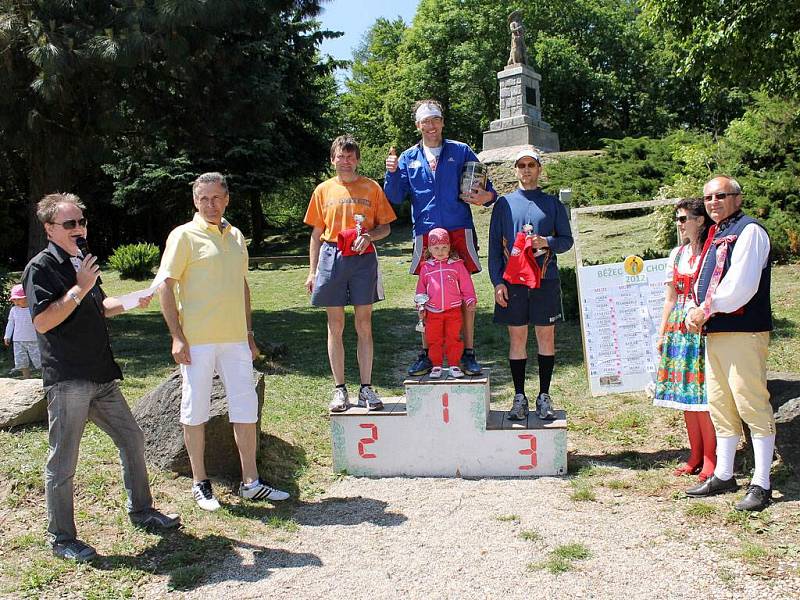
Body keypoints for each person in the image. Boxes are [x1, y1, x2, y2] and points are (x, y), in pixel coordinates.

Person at [23, 193, 179, 563]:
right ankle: (61, 538)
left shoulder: (83, 262)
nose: (80, 229)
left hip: (100, 374)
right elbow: (43, 321)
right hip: (69, 378)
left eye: (82, 222)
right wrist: (78, 287)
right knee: (63, 461)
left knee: (133, 438)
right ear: (49, 229)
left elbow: (101, 305)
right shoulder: (41, 267)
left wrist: (131, 300)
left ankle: (141, 510)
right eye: (70, 224)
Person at [158, 172, 289, 511]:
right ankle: (200, 482)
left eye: (216, 198)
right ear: (195, 201)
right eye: (203, 199)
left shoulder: (236, 236)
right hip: (197, 341)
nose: (210, 205)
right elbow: (165, 286)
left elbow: (241, 286)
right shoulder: (183, 236)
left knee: (245, 409)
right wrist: (177, 336)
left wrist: (248, 335)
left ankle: (251, 482)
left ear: (227, 199)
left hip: (235, 340)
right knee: (195, 409)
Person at [384, 99, 496, 377]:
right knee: (424, 294)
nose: (431, 125)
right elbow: (395, 197)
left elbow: (486, 189)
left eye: (435, 119)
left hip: (458, 229)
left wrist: (487, 197)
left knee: (466, 294)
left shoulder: (461, 151)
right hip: (426, 231)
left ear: (442, 122)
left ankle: (468, 353)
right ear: (417, 125)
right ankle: (426, 353)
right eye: (425, 120)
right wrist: (392, 172)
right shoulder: (408, 158)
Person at [684, 176, 775, 511]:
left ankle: (762, 481)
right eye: (708, 197)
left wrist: (704, 309)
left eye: (721, 196)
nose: (713, 202)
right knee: (720, 404)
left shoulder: (750, 231)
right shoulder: (717, 233)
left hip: (743, 331)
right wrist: (694, 309)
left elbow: (741, 286)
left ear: (738, 197)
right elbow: (702, 281)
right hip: (717, 331)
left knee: (751, 403)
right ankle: (724, 473)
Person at [304, 135, 396, 413]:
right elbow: (317, 234)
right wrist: (312, 272)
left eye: (350, 156)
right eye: (340, 157)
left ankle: (366, 387)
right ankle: (339, 389)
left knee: (364, 324)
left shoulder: (371, 188)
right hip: (332, 257)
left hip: (362, 258)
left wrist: (369, 236)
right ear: (332, 160)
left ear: (357, 159)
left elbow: (386, 227)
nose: (345, 161)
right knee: (335, 325)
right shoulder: (322, 190)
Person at [488, 148, 573, 421]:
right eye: (521, 165)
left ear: (539, 169)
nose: (526, 170)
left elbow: (566, 240)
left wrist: (545, 241)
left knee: (546, 337)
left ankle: (544, 395)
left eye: (531, 165)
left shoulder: (552, 204)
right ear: (515, 170)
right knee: (517, 338)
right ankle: (519, 396)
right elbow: (492, 247)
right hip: (513, 283)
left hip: (545, 280)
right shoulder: (504, 204)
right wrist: (497, 281)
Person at [654, 198, 716, 481]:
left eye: (683, 219)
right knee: (685, 395)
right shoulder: (677, 255)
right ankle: (695, 453)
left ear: (700, 220)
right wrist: (663, 331)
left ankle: (710, 457)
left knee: (703, 396)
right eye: (677, 219)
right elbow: (670, 298)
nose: (679, 224)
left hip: (701, 326)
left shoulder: (709, 253)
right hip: (679, 327)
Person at [415, 228, 477, 378]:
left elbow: (466, 285)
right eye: (436, 248)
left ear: (449, 246)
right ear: (429, 248)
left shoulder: (457, 265)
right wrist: (420, 304)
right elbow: (420, 290)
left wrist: (470, 299)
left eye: (444, 247)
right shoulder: (426, 268)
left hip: (453, 310)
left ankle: (454, 364)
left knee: (453, 338)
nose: (440, 251)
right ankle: (436, 365)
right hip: (433, 312)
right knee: (434, 339)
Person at [4, 284, 41, 378]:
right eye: (14, 299)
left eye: (18, 299)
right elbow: (11, 323)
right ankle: (26, 378)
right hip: (18, 340)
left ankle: (44, 377)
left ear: (26, 297)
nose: (16, 302)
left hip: (34, 339)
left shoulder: (33, 308)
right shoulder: (14, 310)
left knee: (39, 361)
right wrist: (7, 336)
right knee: (21, 362)